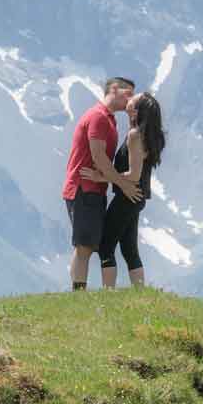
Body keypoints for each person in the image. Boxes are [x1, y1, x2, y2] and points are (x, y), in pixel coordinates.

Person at [61, 77, 143, 290]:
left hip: (95, 189)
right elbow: (98, 156)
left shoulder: (109, 119)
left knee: (86, 244)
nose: (131, 99)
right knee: (85, 246)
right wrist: (123, 184)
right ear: (113, 89)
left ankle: (78, 291)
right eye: (128, 93)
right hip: (83, 187)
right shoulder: (98, 117)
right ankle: (78, 295)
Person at [99, 90, 166, 288]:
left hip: (127, 196)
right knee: (129, 249)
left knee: (105, 246)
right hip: (136, 197)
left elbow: (134, 174)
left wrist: (103, 176)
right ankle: (139, 292)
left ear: (137, 111)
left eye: (133, 100)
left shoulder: (135, 136)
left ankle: (108, 293)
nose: (129, 98)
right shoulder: (146, 134)